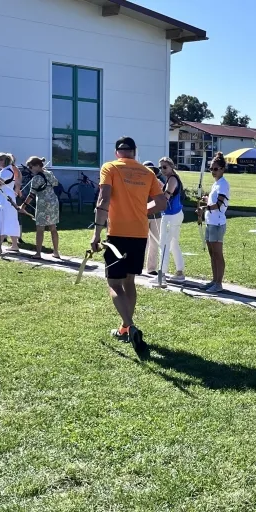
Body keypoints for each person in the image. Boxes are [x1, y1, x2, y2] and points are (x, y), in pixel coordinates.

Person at [91, 137, 167, 359]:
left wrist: (96, 233)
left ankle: (130, 325)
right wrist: (141, 211)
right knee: (129, 282)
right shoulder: (147, 172)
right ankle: (125, 327)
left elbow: (103, 199)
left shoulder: (110, 167)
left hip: (117, 234)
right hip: (139, 233)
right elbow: (161, 203)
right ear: (134, 151)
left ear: (117, 152)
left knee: (114, 283)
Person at [198, 152, 230, 293]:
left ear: (222, 169)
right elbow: (214, 201)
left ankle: (219, 283)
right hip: (210, 222)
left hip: (217, 223)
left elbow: (219, 204)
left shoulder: (223, 184)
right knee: (212, 253)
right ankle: (214, 280)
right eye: (211, 169)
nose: (213, 171)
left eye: (215, 169)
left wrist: (205, 207)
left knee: (217, 254)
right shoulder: (216, 184)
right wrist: (207, 200)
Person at [21, 156, 60, 259]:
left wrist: (23, 206)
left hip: (43, 204)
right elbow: (55, 183)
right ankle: (56, 252)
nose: (30, 169)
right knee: (53, 228)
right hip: (53, 202)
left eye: (31, 167)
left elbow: (32, 194)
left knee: (40, 229)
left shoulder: (36, 178)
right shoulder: (49, 173)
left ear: (37, 166)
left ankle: (38, 253)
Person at [155, 156, 186, 282]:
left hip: (170, 216)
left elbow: (165, 198)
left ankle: (161, 275)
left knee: (164, 244)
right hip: (175, 214)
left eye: (164, 167)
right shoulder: (171, 179)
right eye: (160, 167)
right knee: (173, 243)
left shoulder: (172, 179)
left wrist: (149, 206)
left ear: (171, 167)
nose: (162, 170)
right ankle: (180, 272)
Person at [143, 161, 166, 276]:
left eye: (151, 170)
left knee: (154, 242)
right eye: (147, 169)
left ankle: (151, 268)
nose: (149, 171)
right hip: (142, 215)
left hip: (156, 215)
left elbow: (164, 192)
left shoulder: (158, 182)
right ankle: (137, 266)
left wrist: (157, 183)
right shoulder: (140, 183)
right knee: (142, 242)